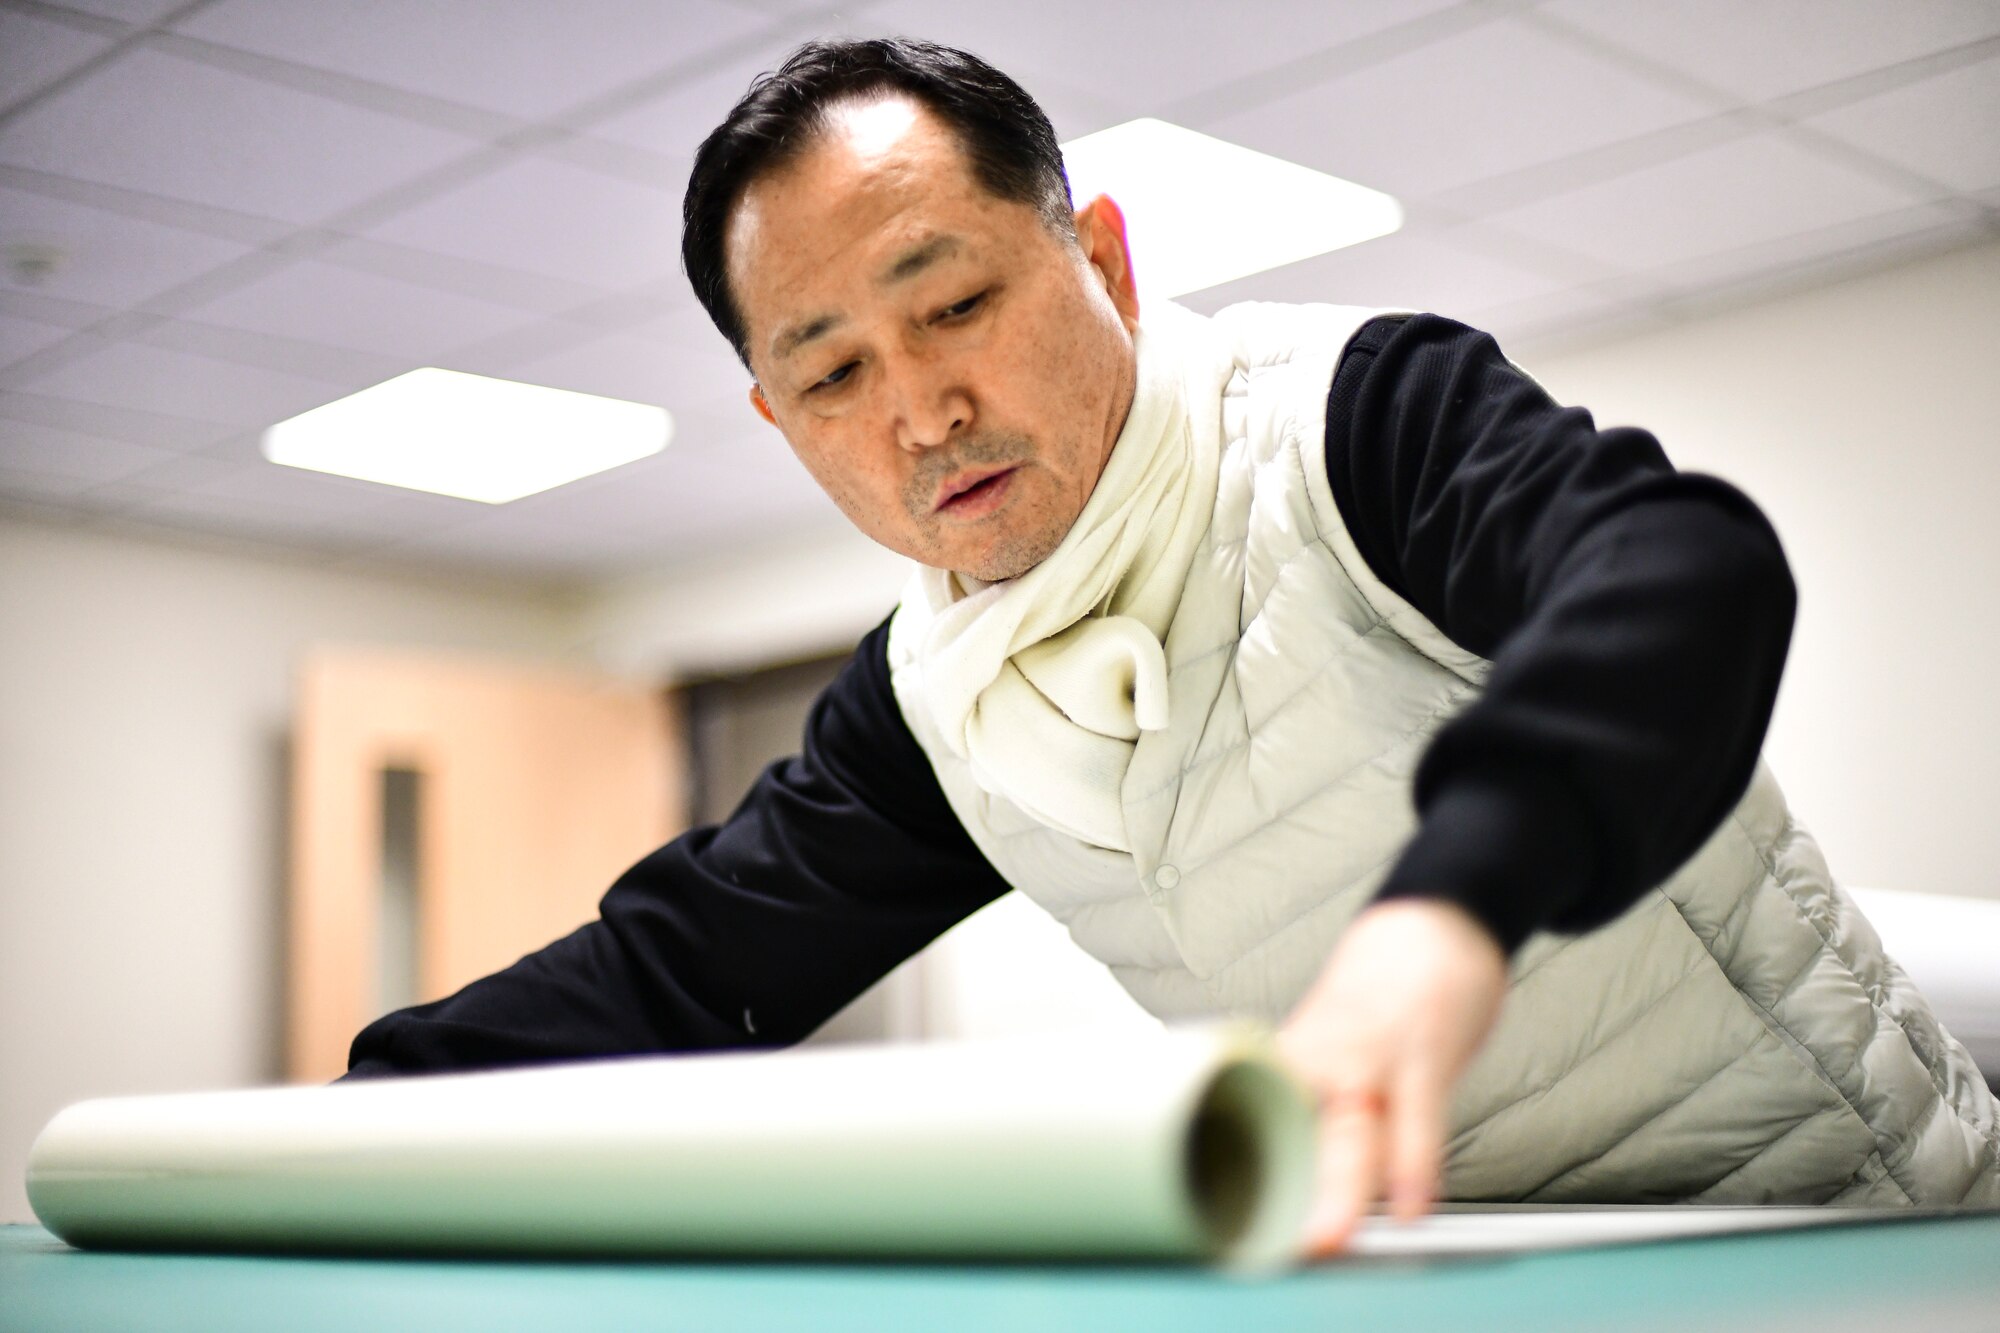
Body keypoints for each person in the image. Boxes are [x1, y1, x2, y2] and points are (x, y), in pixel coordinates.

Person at [344, 37, 2000, 1251]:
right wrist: (332, 1123)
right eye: (835, 374)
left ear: (1103, 259)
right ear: (777, 419)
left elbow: (1683, 575)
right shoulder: (935, 695)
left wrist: (1447, 912)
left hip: (1843, 1217)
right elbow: (682, 967)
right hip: (1466, 1258)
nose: (922, 411)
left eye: (955, 303)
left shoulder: (1347, 423)